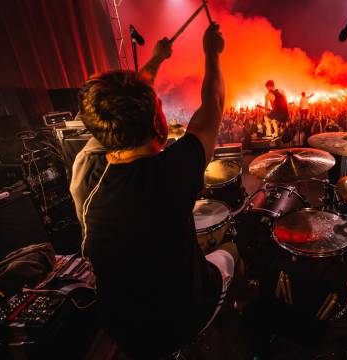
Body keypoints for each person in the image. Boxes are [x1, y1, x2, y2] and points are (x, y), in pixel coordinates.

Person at [69, 24, 238, 357]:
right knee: (231, 249)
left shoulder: (86, 170)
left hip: (119, 323)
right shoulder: (172, 172)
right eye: (159, 106)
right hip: (178, 320)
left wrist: (157, 59)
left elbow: (119, 103)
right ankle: (234, 320)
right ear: (159, 123)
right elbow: (214, 103)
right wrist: (212, 53)